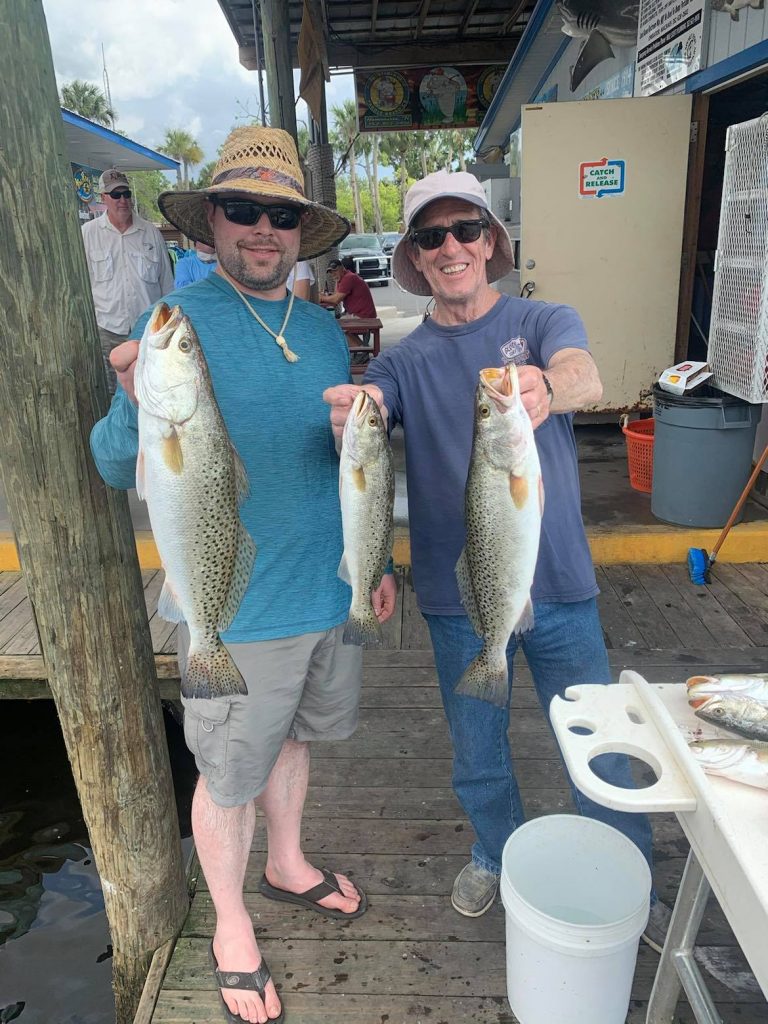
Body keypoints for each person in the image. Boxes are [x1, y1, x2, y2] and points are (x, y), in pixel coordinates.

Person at [89, 126, 395, 1024]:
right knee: (226, 775)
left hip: (323, 589)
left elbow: (340, 462)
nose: (263, 229)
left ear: (303, 231)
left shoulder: (326, 330)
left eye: (281, 215)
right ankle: (229, 924)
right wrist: (131, 400)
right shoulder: (177, 326)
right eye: (242, 210)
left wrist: (369, 562)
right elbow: (118, 466)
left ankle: (288, 861)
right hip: (232, 602)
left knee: (291, 743)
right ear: (207, 223)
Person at [324, 169, 670, 952]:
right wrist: (356, 410)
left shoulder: (542, 317)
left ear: (490, 242)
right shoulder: (406, 360)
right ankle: (495, 850)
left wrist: (549, 382)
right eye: (430, 236)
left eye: (465, 231)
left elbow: (586, 375)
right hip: (457, 600)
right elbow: (369, 405)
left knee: (600, 740)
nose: (451, 248)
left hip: (560, 588)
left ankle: (629, 873)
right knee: (477, 748)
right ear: (414, 255)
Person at [81, 168, 174, 394]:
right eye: (115, 195)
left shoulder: (151, 232)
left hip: (147, 332)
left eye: (126, 193)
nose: (122, 200)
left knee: (152, 392)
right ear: (103, 198)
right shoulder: (87, 233)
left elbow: (167, 284)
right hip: (108, 330)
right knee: (113, 395)